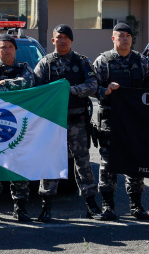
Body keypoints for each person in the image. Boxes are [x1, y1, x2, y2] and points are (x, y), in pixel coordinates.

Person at [33, 24, 100, 222]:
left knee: (83, 162)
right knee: (51, 162)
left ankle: (91, 204)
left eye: (66, 37)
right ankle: (46, 206)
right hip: (53, 122)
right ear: (53, 40)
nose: (62, 41)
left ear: (71, 40)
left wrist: (69, 90)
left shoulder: (82, 61)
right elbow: (36, 89)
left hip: (77, 120)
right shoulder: (45, 63)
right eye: (59, 37)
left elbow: (93, 85)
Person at [92, 22, 149, 221]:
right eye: (121, 36)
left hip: (135, 121)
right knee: (108, 163)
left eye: (128, 35)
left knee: (134, 161)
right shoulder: (103, 61)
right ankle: (108, 206)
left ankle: (136, 205)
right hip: (110, 120)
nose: (125, 39)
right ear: (113, 38)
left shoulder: (141, 61)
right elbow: (92, 87)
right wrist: (106, 90)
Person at [0, 33, 36, 221]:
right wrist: (13, 87)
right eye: (3, 47)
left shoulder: (24, 67)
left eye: (10, 47)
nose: (7, 50)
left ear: (15, 49)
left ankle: (20, 208)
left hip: (19, 122)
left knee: (18, 163)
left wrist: (4, 83)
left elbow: (29, 82)